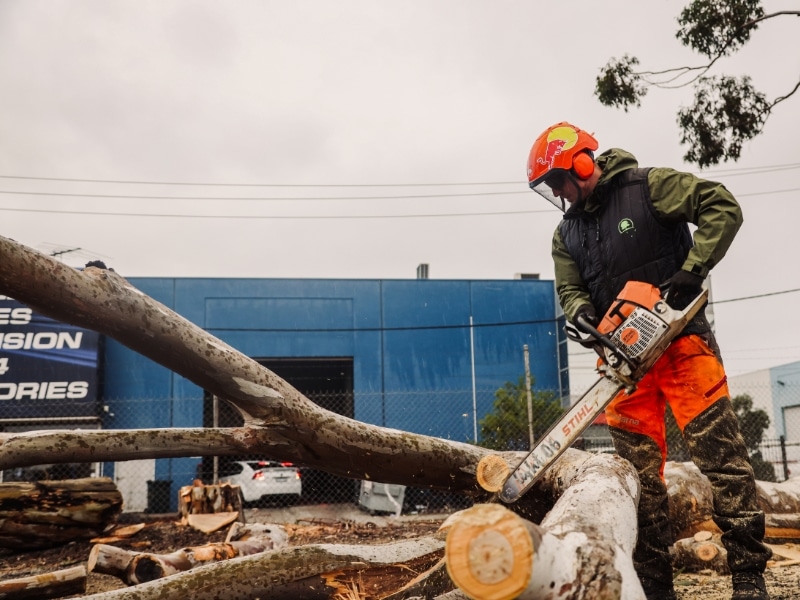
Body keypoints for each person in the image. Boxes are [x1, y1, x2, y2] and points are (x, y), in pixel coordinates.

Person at [526, 122, 771, 600]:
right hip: (622, 363)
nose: (558, 192)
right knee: (638, 482)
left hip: (682, 346)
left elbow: (721, 206)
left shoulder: (648, 187)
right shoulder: (566, 234)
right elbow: (570, 288)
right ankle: (656, 584)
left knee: (723, 462)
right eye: (550, 187)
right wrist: (581, 315)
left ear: (581, 163)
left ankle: (748, 575)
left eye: (560, 180)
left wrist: (692, 269)